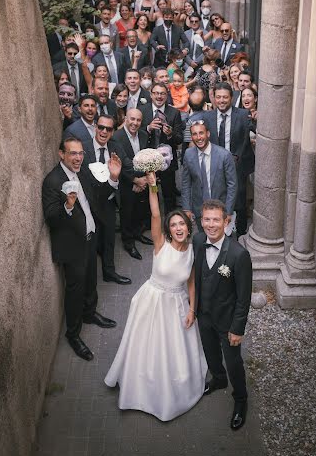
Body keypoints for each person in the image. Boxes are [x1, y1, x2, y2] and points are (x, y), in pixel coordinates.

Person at [105, 171, 207, 421]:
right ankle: (139, 388)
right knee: (146, 346)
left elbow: (192, 283)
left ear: (187, 226)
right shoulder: (160, 243)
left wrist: (193, 310)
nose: (178, 228)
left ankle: (174, 391)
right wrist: (152, 188)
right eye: (173, 225)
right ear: (168, 231)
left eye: (181, 223)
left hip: (177, 305)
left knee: (174, 350)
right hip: (151, 301)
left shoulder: (193, 252)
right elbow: (156, 214)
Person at [42, 137, 120, 360]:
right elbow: (51, 219)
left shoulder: (83, 171)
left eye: (80, 153)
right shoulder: (52, 181)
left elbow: (98, 197)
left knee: (91, 279)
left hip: (90, 235)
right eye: (73, 153)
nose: (78, 158)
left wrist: (113, 178)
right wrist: (67, 205)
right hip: (72, 245)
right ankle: (73, 334)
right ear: (61, 154)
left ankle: (89, 313)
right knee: (75, 289)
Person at [193, 199, 252, 430]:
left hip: (228, 322)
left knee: (234, 362)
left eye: (216, 219)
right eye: (206, 219)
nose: (211, 224)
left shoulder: (239, 255)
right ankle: (218, 378)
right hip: (204, 315)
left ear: (226, 221)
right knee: (210, 352)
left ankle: (240, 399)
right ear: (201, 221)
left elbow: (243, 297)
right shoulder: (198, 241)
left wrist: (237, 328)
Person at [82, 114, 132, 285]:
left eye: (108, 129)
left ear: (112, 131)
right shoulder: (84, 148)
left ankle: (109, 272)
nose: (104, 131)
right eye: (101, 127)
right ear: (95, 127)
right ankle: (90, 281)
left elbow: (128, 166)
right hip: (89, 204)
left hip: (109, 202)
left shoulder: (116, 147)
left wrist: (148, 170)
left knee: (109, 240)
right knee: (91, 243)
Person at [202, 83, 255, 237]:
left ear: (231, 98)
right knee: (218, 197)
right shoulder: (208, 117)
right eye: (218, 97)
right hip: (215, 164)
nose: (221, 100)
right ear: (214, 98)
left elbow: (251, 135)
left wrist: (236, 157)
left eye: (225, 97)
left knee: (239, 199)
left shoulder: (244, 115)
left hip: (238, 164)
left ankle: (240, 232)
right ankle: (218, 231)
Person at [182, 121, 237, 231]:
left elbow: (232, 185)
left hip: (220, 210)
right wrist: (186, 208)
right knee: (203, 239)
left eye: (201, 133)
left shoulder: (224, 155)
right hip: (199, 209)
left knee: (221, 242)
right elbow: (186, 184)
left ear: (208, 134)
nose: (198, 137)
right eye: (194, 134)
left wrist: (229, 211)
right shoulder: (188, 154)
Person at [112, 108, 152, 259]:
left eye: (138, 120)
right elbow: (119, 164)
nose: (135, 123)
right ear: (126, 119)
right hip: (126, 183)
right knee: (127, 213)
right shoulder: (117, 137)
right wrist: (135, 181)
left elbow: (146, 157)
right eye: (132, 119)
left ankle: (138, 234)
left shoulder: (143, 134)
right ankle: (128, 242)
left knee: (139, 210)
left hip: (141, 181)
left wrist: (143, 180)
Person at [140, 83, 183, 213]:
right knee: (151, 193)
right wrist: (148, 128)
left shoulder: (174, 112)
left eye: (162, 93)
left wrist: (170, 134)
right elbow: (136, 135)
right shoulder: (143, 110)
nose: (159, 96)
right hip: (148, 161)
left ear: (166, 95)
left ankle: (170, 221)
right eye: (156, 93)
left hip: (167, 162)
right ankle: (150, 224)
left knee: (168, 194)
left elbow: (179, 138)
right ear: (151, 95)